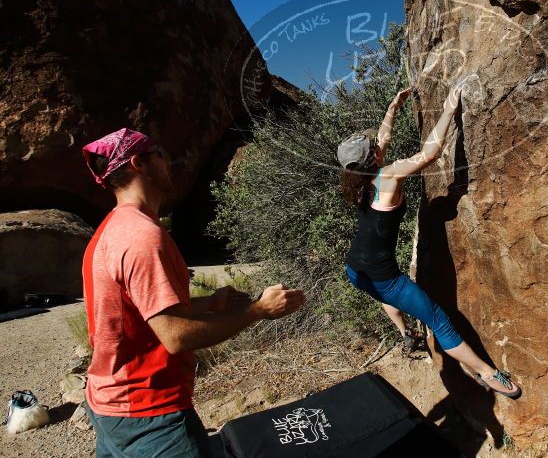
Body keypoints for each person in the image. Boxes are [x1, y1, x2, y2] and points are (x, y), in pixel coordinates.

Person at [80, 128, 305, 457]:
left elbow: (140, 315)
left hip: (108, 403)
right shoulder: (142, 238)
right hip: (149, 413)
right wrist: (259, 310)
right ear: (138, 163)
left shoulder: (112, 229)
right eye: (160, 154)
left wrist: (210, 303)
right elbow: (175, 337)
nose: (168, 162)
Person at [337, 87, 521, 399]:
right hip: (384, 278)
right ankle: (489, 374)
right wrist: (449, 110)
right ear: (372, 158)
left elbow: (382, 140)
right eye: (374, 148)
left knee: (384, 296)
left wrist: (393, 107)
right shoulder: (389, 176)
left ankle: (405, 333)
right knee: (439, 320)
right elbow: (429, 155)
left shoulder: (357, 181)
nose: (379, 145)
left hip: (355, 271)